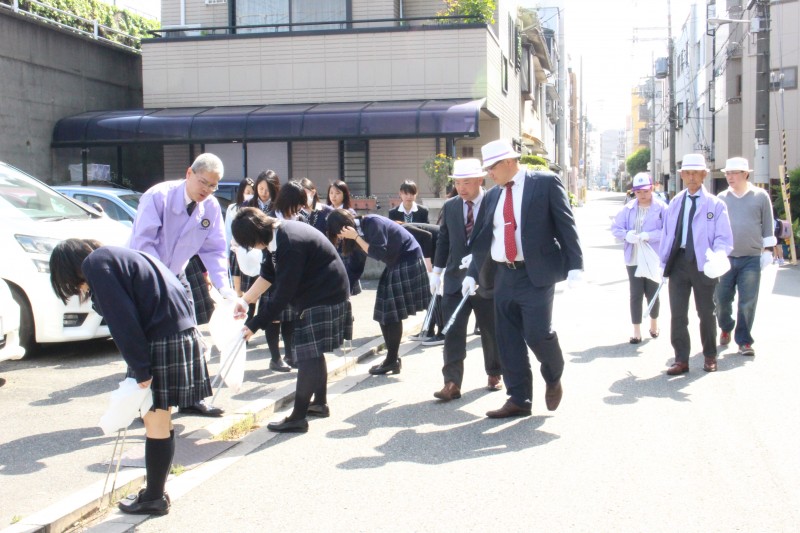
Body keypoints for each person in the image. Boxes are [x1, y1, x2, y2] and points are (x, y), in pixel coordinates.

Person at [50, 239, 213, 515]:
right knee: (160, 417)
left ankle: (153, 497)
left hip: (160, 339)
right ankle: (155, 492)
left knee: (155, 419)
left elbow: (121, 318)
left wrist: (140, 368)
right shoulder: (117, 256)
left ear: (68, 268)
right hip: (178, 332)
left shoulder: (96, 264)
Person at [464, 139, 583, 418]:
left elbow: (566, 224)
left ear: (508, 162)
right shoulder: (493, 196)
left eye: (492, 167)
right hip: (504, 274)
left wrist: (576, 265)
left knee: (537, 333)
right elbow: (482, 240)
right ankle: (519, 399)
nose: (489, 174)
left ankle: (553, 376)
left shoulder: (544, 183)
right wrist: (472, 273)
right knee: (507, 339)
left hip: (536, 273)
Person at [128, 153, 235, 417]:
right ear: (189, 173)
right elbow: (143, 244)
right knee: (146, 340)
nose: (207, 190)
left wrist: (225, 289)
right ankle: (143, 404)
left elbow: (215, 249)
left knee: (191, 335)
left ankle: (192, 397)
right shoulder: (157, 197)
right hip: (146, 275)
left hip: (178, 274)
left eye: (213, 186)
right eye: (203, 183)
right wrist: (160, 282)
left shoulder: (209, 206)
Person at [232, 208, 351, 433]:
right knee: (313, 353)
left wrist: (254, 324)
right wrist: (245, 301)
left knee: (307, 355)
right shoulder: (275, 237)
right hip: (322, 292)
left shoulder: (290, 242)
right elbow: (268, 274)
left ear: (257, 235)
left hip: (325, 294)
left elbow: (282, 293)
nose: (253, 248)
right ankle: (320, 403)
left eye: (250, 243)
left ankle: (298, 417)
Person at [429, 158, 502, 401]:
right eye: (458, 182)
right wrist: (436, 271)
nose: (461, 188)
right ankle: (451, 383)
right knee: (452, 332)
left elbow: (499, 238)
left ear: (480, 180)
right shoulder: (451, 206)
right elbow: (444, 240)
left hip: (486, 279)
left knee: (491, 331)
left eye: (467, 182)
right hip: (454, 280)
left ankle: (494, 372)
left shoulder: (495, 200)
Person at [326, 209, 430, 375]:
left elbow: (378, 252)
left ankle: (392, 359)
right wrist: (345, 292)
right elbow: (355, 267)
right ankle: (392, 359)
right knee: (383, 313)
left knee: (391, 313)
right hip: (395, 263)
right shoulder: (354, 237)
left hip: (408, 259)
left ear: (344, 228)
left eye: (338, 234)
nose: (339, 238)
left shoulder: (373, 223)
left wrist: (357, 238)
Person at [659, 154, 733, 375]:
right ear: (682, 176)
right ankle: (681, 359)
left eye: (696, 173)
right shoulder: (675, 202)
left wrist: (718, 256)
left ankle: (710, 355)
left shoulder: (716, 204)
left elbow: (723, 237)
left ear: (704, 175)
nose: (691, 177)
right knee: (678, 313)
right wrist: (662, 262)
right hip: (679, 261)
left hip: (704, 262)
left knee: (706, 312)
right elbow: (667, 234)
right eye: (687, 173)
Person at [714, 157, 776, 357]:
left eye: (733, 173)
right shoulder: (722, 198)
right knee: (721, 299)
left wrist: (767, 251)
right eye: (727, 174)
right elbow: (714, 227)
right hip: (726, 257)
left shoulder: (760, 196)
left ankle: (744, 341)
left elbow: (767, 224)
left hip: (750, 256)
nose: (729, 177)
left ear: (745, 174)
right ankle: (726, 326)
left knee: (748, 301)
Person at [610, 172, 667, 343]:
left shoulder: (662, 208)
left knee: (653, 292)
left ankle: (654, 323)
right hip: (633, 257)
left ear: (652, 189)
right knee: (635, 293)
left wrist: (649, 235)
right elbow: (616, 228)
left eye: (646, 191)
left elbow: (668, 231)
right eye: (638, 192)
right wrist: (627, 235)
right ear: (634, 192)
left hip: (653, 256)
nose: (642, 195)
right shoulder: (627, 209)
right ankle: (636, 330)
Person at [225, 178, 256, 319]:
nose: (249, 194)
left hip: (251, 252)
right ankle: (237, 316)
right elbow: (227, 232)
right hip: (236, 251)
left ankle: (248, 318)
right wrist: (225, 254)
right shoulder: (233, 208)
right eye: (247, 192)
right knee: (237, 289)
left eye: (252, 192)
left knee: (251, 289)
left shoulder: (255, 208)